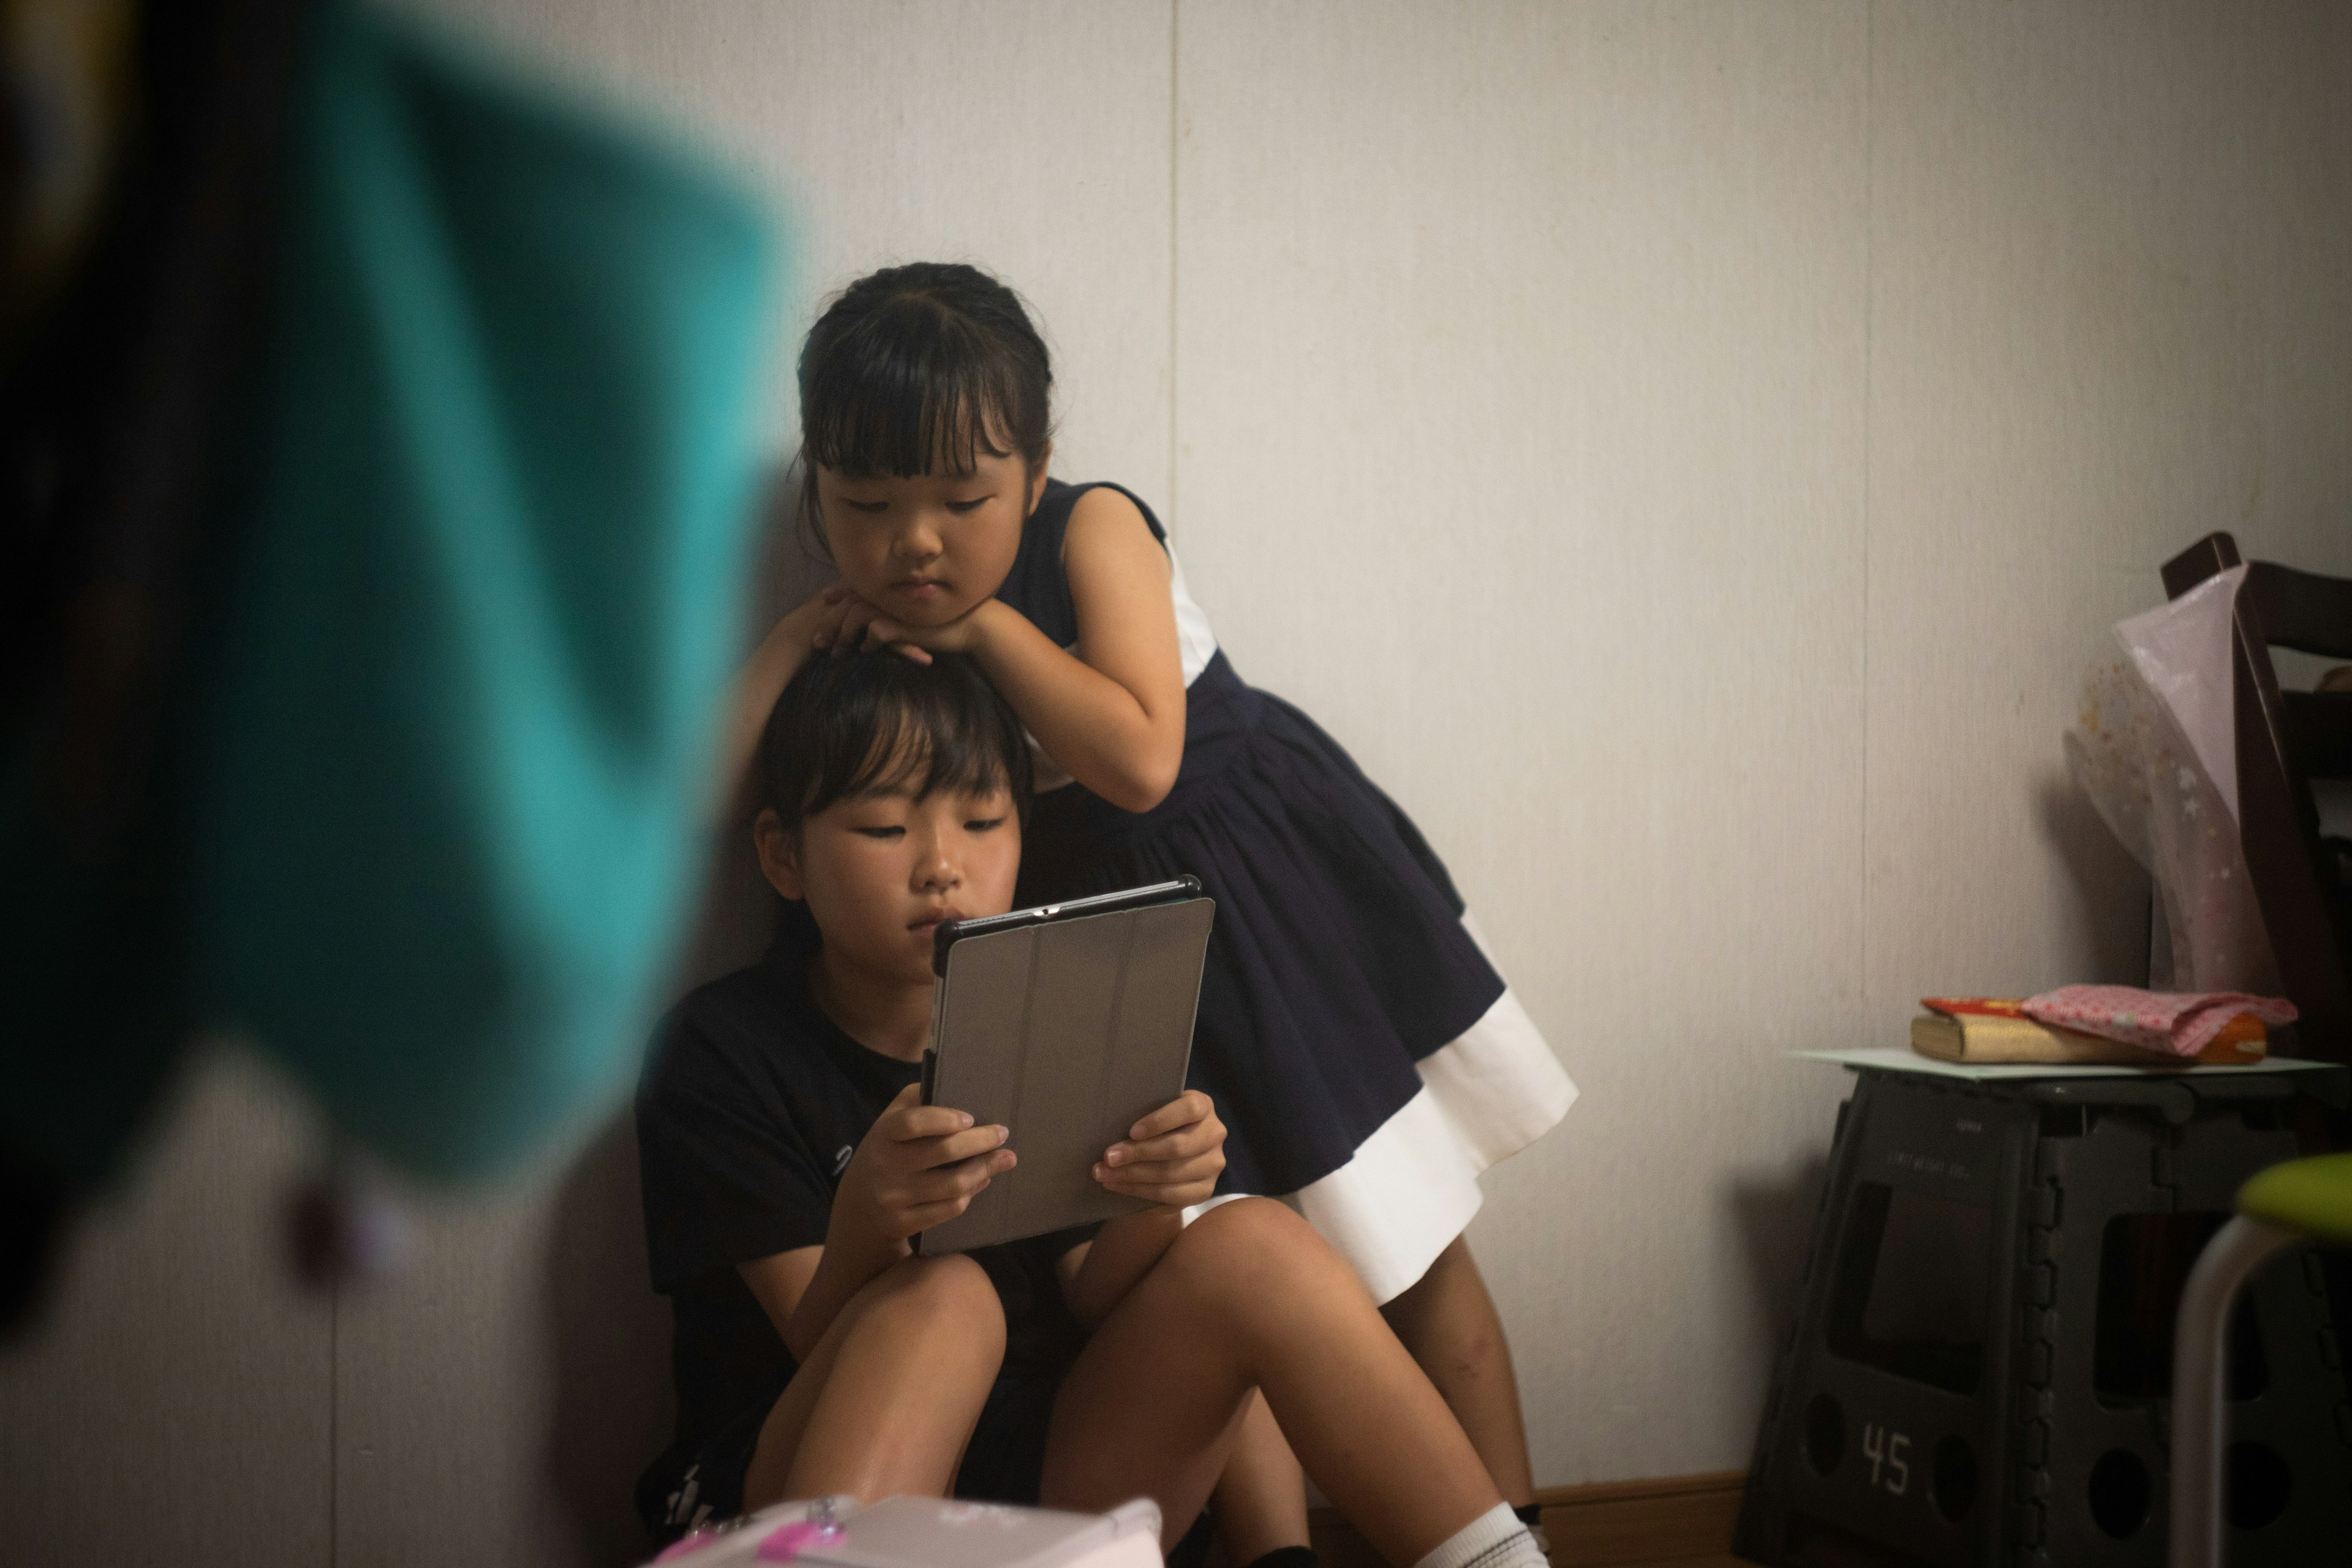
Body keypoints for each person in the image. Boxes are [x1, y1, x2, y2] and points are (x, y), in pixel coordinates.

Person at [725, 262, 1576, 1533]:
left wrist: (984, 632)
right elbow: (705, 796)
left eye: (964, 500)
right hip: (1094, 928)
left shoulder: (1090, 527)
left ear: (1038, 466)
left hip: (1240, 880)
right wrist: (796, 636)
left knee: (1400, 1231)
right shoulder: (872, 613)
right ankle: (1271, 1547)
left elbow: (1138, 757)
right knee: (1203, 1231)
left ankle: (1514, 1520)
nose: (917, 542)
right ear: (817, 489)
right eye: (866, 504)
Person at [636, 649, 1548, 1568]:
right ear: (783, 856)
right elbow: (805, 1341)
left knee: (1250, 1239)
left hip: (1046, 1482)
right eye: (883, 829)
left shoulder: (1060, 1014)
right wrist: (866, 1227)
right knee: (947, 1299)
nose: (942, 866)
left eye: (983, 820)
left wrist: (1156, 1194)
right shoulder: (725, 1051)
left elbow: (1093, 1292)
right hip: (798, 1492)